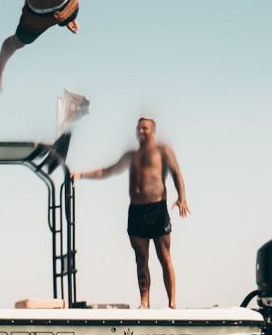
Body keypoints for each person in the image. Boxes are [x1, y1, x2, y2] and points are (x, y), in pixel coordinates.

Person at [71, 118, 190, 308]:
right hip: (136, 211)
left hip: (157, 208)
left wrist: (182, 198)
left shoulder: (163, 150)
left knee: (164, 257)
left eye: (146, 128)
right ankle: (144, 302)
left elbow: (176, 173)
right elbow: (107, 171)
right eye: (139, 128)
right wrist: (82, 174)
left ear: (153, 130)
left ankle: (172, 303)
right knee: (141, 259)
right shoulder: (131, 156)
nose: (141, 131)